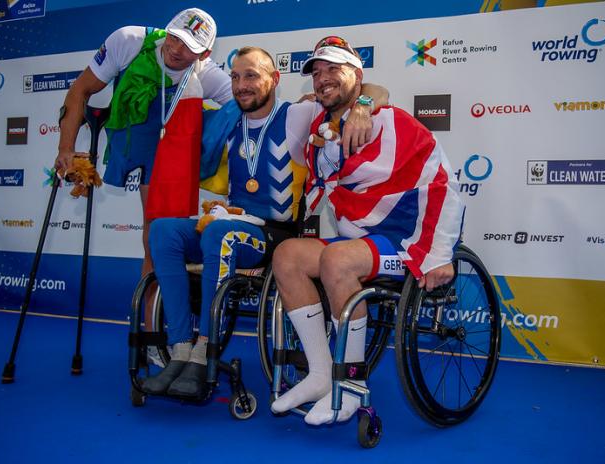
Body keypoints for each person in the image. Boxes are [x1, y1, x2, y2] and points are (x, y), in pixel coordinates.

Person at [141, 46, 388, 397]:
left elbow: (374, 92)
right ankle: (180, 349)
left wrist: (363, 108)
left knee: (219, 235)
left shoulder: (299, 115)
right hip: (231, 223)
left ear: (274, 79)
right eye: (236, 77)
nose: (242, 85)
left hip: (276, 234)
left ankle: (203, 354)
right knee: (164, 230)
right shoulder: (225, 119)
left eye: (252, 75)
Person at [269, 36, 464, 425]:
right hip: (360, 237)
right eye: (317, 72)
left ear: (356, 75)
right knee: (287, 255)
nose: (322, 79)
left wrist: (441, 254)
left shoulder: (391, 121)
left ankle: (353, 385)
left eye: (333, 70)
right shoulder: (318, 125)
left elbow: (441, 183)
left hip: (406, 239)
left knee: (337, 260)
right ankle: (322, 374)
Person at [54, 8, 231, 336]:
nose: (176, 49)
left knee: (156, 237)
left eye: (189, 46)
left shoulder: (205, 74)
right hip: (128, 137)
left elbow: (250, 104)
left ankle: (152, 331)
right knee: (156, 236)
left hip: (165, 153)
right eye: (174, 37)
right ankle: (151, 331)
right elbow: (80, 90)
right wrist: (65, 149)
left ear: (205, 53)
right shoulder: (129, 41)